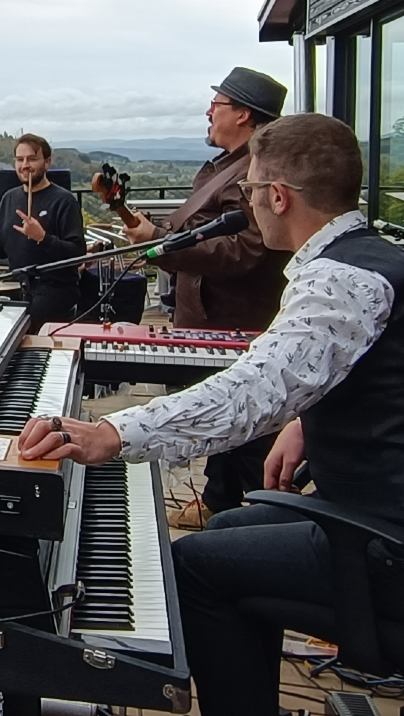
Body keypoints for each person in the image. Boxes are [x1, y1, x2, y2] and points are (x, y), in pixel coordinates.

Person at [17, 114, 404, 716]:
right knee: (232, 528)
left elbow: (254, 390)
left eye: (248, 192)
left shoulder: (340, 281)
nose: (245, 204)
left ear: (278, 198)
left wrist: (114, 434)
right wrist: (310, 413)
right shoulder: (371, 259)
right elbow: (329, 371)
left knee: (199, 566)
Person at [123, 67, 293, 527]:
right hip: (209, 313)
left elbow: (246, 249)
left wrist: (161, 238)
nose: (208, 112)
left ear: (242, 114)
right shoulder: (226, 164)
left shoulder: (255, 169)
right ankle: (221, 500)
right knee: (223, 410)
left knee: (246, 418)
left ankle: (265, 513)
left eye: (216, 105)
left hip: (236, 315)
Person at [0, 134, 87, 331]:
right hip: (17, 286)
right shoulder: (9, 199)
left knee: (18, 329)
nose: (25, 165)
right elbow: (1, 250)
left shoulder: (64, 201)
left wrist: (43, 238)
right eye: (20, 160)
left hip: (55, 289)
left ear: (47, 163)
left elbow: (77, 254)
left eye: (32, 159)